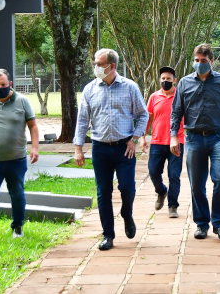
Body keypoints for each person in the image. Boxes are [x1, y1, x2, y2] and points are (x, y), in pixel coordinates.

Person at [74, 48, 149, 251]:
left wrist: (134, 138)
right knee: (103, 192)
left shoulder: (130, 87)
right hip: (100, 148)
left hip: (125, 148)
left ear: (112, 66)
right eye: (96, 64)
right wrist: (78, 148)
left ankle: (127, 213)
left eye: (99, 64)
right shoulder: (90, 89)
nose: (96, 67)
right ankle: (108, 234)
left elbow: (143, 114)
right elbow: (82, 120)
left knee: (127, 187)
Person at [170, 43, 220, 241]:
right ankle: (201, 223)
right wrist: (173, 136)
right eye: (196, 60)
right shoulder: (184, 83)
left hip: (218, 137)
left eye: (203, 61)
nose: (199, 64)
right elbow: (176, 111)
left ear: (212, 61)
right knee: (196, 184)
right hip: (193, 138)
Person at [0, 68, 40, 243]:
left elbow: (33, 126)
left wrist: (35, 148)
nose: (0, 88)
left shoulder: (22, 101)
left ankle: (17, 226)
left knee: (17, 194)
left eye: (3, 84)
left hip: (16, 160)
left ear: (10, 84)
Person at [141, 66, 185, 218]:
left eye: (169, 79)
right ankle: (161, 192)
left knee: (174, 175)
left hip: (177, 142)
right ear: (159, 80)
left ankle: (173, 205)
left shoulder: (181, 96)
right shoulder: (154, 97)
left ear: (175, 80)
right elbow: (147, 119)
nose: (166, 81)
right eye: (163, 79)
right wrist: (142, 137)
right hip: (157, 142)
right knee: (153, 171)